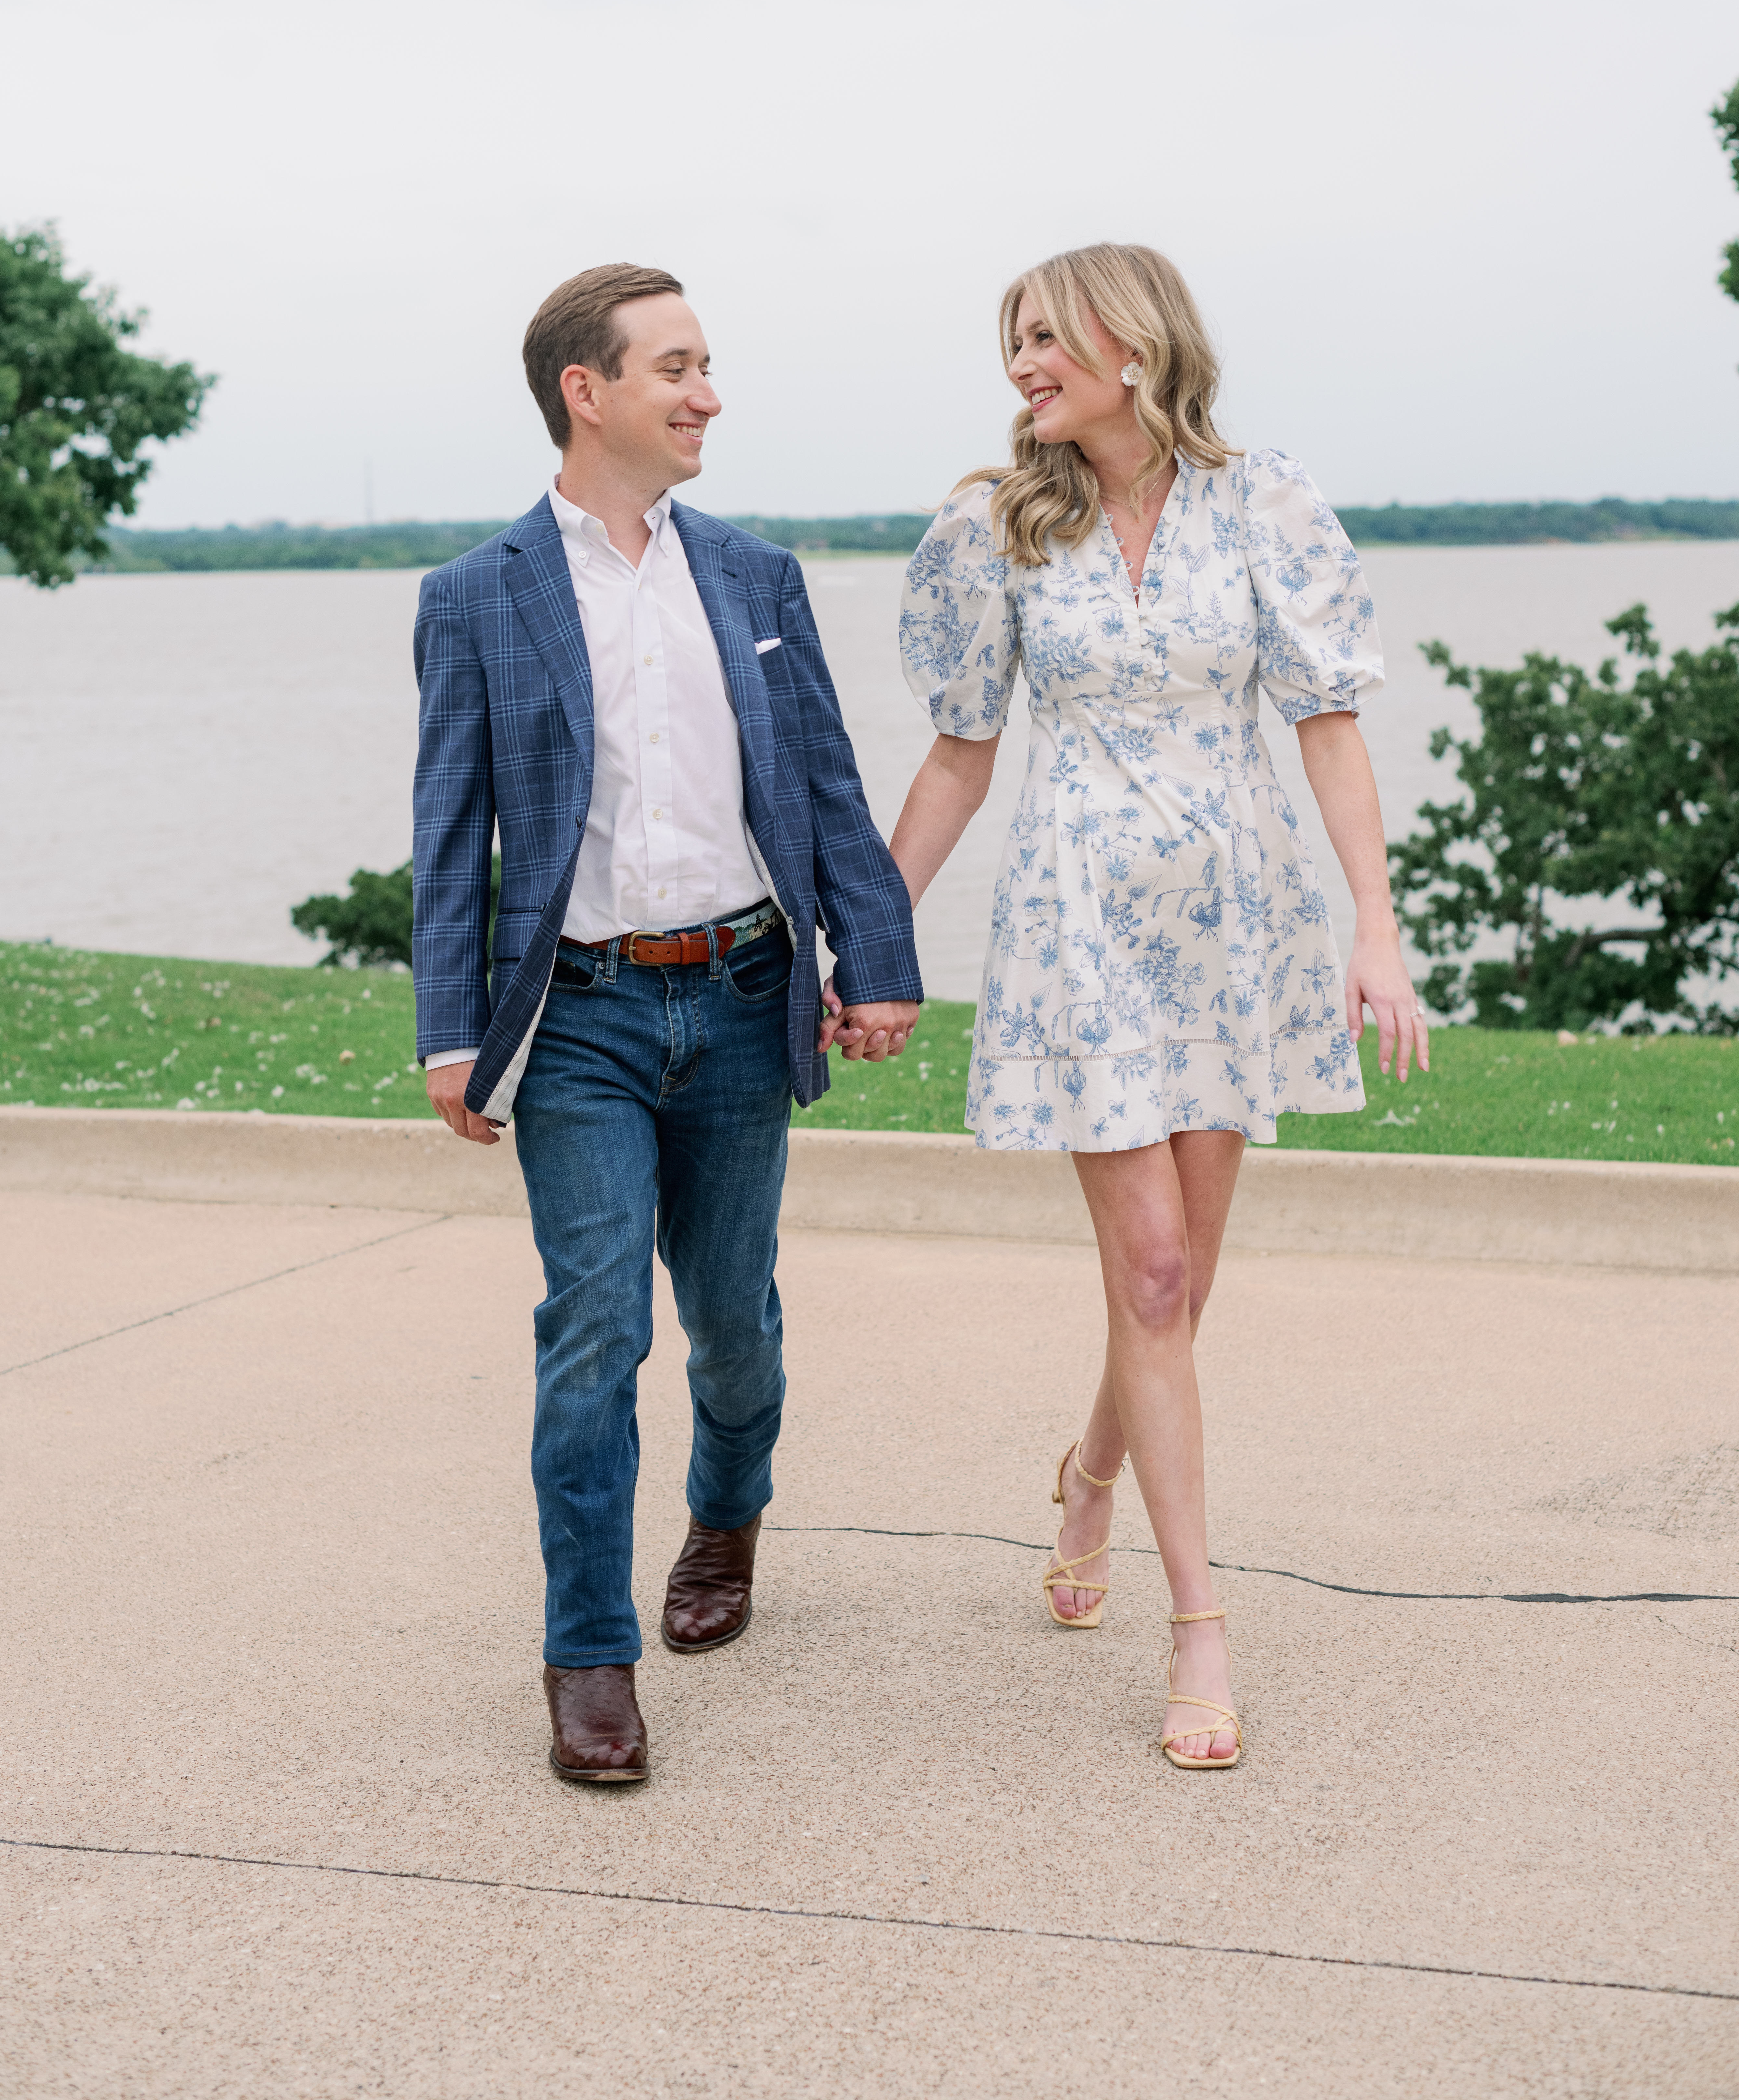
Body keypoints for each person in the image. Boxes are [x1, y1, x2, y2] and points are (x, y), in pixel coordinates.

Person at [890, 242, 1425, 1770]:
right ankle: (1198, 1634)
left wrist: (1372, 932)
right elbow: (957, 755)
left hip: (1238, 931)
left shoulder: (1264, 503)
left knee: (1178, 1288)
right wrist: (865, 938)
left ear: (1136, 344)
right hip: (1077, 933)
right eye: (1013, 343)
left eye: (1045, 337)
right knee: (1149, 1277)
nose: (1021, 368)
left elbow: (1326, 731)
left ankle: (1088, 1475)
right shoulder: (992, 528)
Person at [413, 262, 922, 1786]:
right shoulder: (476, 595)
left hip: (745, 989)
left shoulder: (756, 579)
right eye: (678, 368)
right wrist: (452, 1029)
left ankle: (726, 1512)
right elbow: (450, 835)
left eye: (707, 368)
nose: (708, 395)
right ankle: (588, 1657)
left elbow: (823, 779)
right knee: (593, 1332)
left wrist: (873, 952)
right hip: (575, 1019)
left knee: (731, 1327)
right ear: (589, 390)